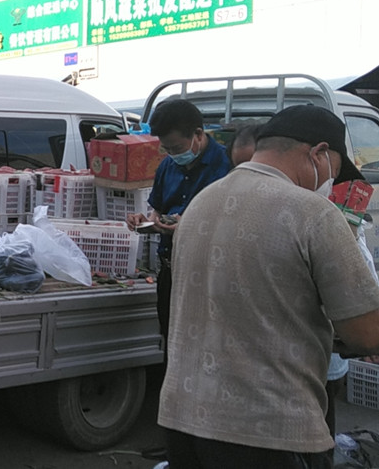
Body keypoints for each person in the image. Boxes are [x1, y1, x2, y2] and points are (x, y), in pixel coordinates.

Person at [158, 105, 379, 468]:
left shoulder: (200, 203)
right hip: (269, 431)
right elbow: (366, 335)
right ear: (319, 154)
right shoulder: (315, 213)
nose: (329, 184)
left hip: (183, 421)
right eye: (334, 173)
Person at [126, 99, 230, 349]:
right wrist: (144, 221)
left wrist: (191, 224)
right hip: (171, 269)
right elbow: (157, 214)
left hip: (209, 273)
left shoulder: (226, 166)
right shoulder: (167, 167)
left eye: (176, 148)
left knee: (206, 347)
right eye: (167, 149)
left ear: (198, 134)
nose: (173, 155)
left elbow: (232, 224)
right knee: (172, 342)